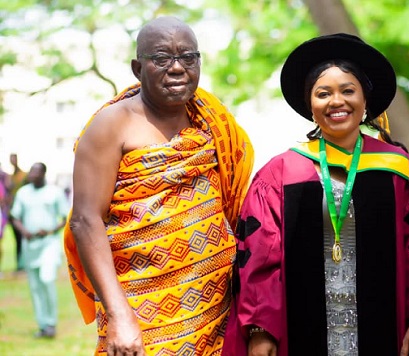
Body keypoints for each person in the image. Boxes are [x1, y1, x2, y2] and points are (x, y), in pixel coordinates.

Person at [225, 33, 409, 356]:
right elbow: (259, 258)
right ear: (310, 105)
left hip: (384, 327)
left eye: (348, 91)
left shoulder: (398, 169)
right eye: (324, 93)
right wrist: (260, 328)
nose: (337, 101)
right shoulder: (281, 173)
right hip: (299, 328)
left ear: (366, 102)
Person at [64, 16, 254, 355]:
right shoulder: (112, 124)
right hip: (140, 309)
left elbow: (234, 203)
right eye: (162, 58)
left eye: (188, 57)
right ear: (138, 69)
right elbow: (85, 219)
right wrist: (119, 314)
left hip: (214, 310)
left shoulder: (212, 120)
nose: (177, 68)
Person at [10, 162, 70, 338]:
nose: (32, 175)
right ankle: (43, 325)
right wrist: (23, 232)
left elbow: (65, 217)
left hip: (48, 244)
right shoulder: (23, 193)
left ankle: (51, 323)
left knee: (47, 278)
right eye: (31, 172)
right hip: (31, 246)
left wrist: (50, 230)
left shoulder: (54, 192)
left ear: (44, 174)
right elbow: (15, 217)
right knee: (35, 286)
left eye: (36, 172)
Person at [7, 153, 28, 272]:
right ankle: (19, 264)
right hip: (13, 211)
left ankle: (23, 263)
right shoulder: (9, 177)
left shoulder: (23, 175)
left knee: (23, 237)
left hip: (23, 211)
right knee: (17, 239)